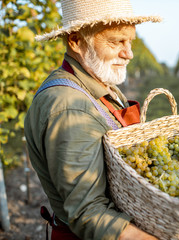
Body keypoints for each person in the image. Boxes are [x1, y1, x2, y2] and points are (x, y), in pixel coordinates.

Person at [25, 0, 162, 239]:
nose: (128, 53)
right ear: (76, 41)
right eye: (116, 41)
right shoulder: (70, 108)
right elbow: (89, 213)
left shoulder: (99, 85)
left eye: (130, 41)